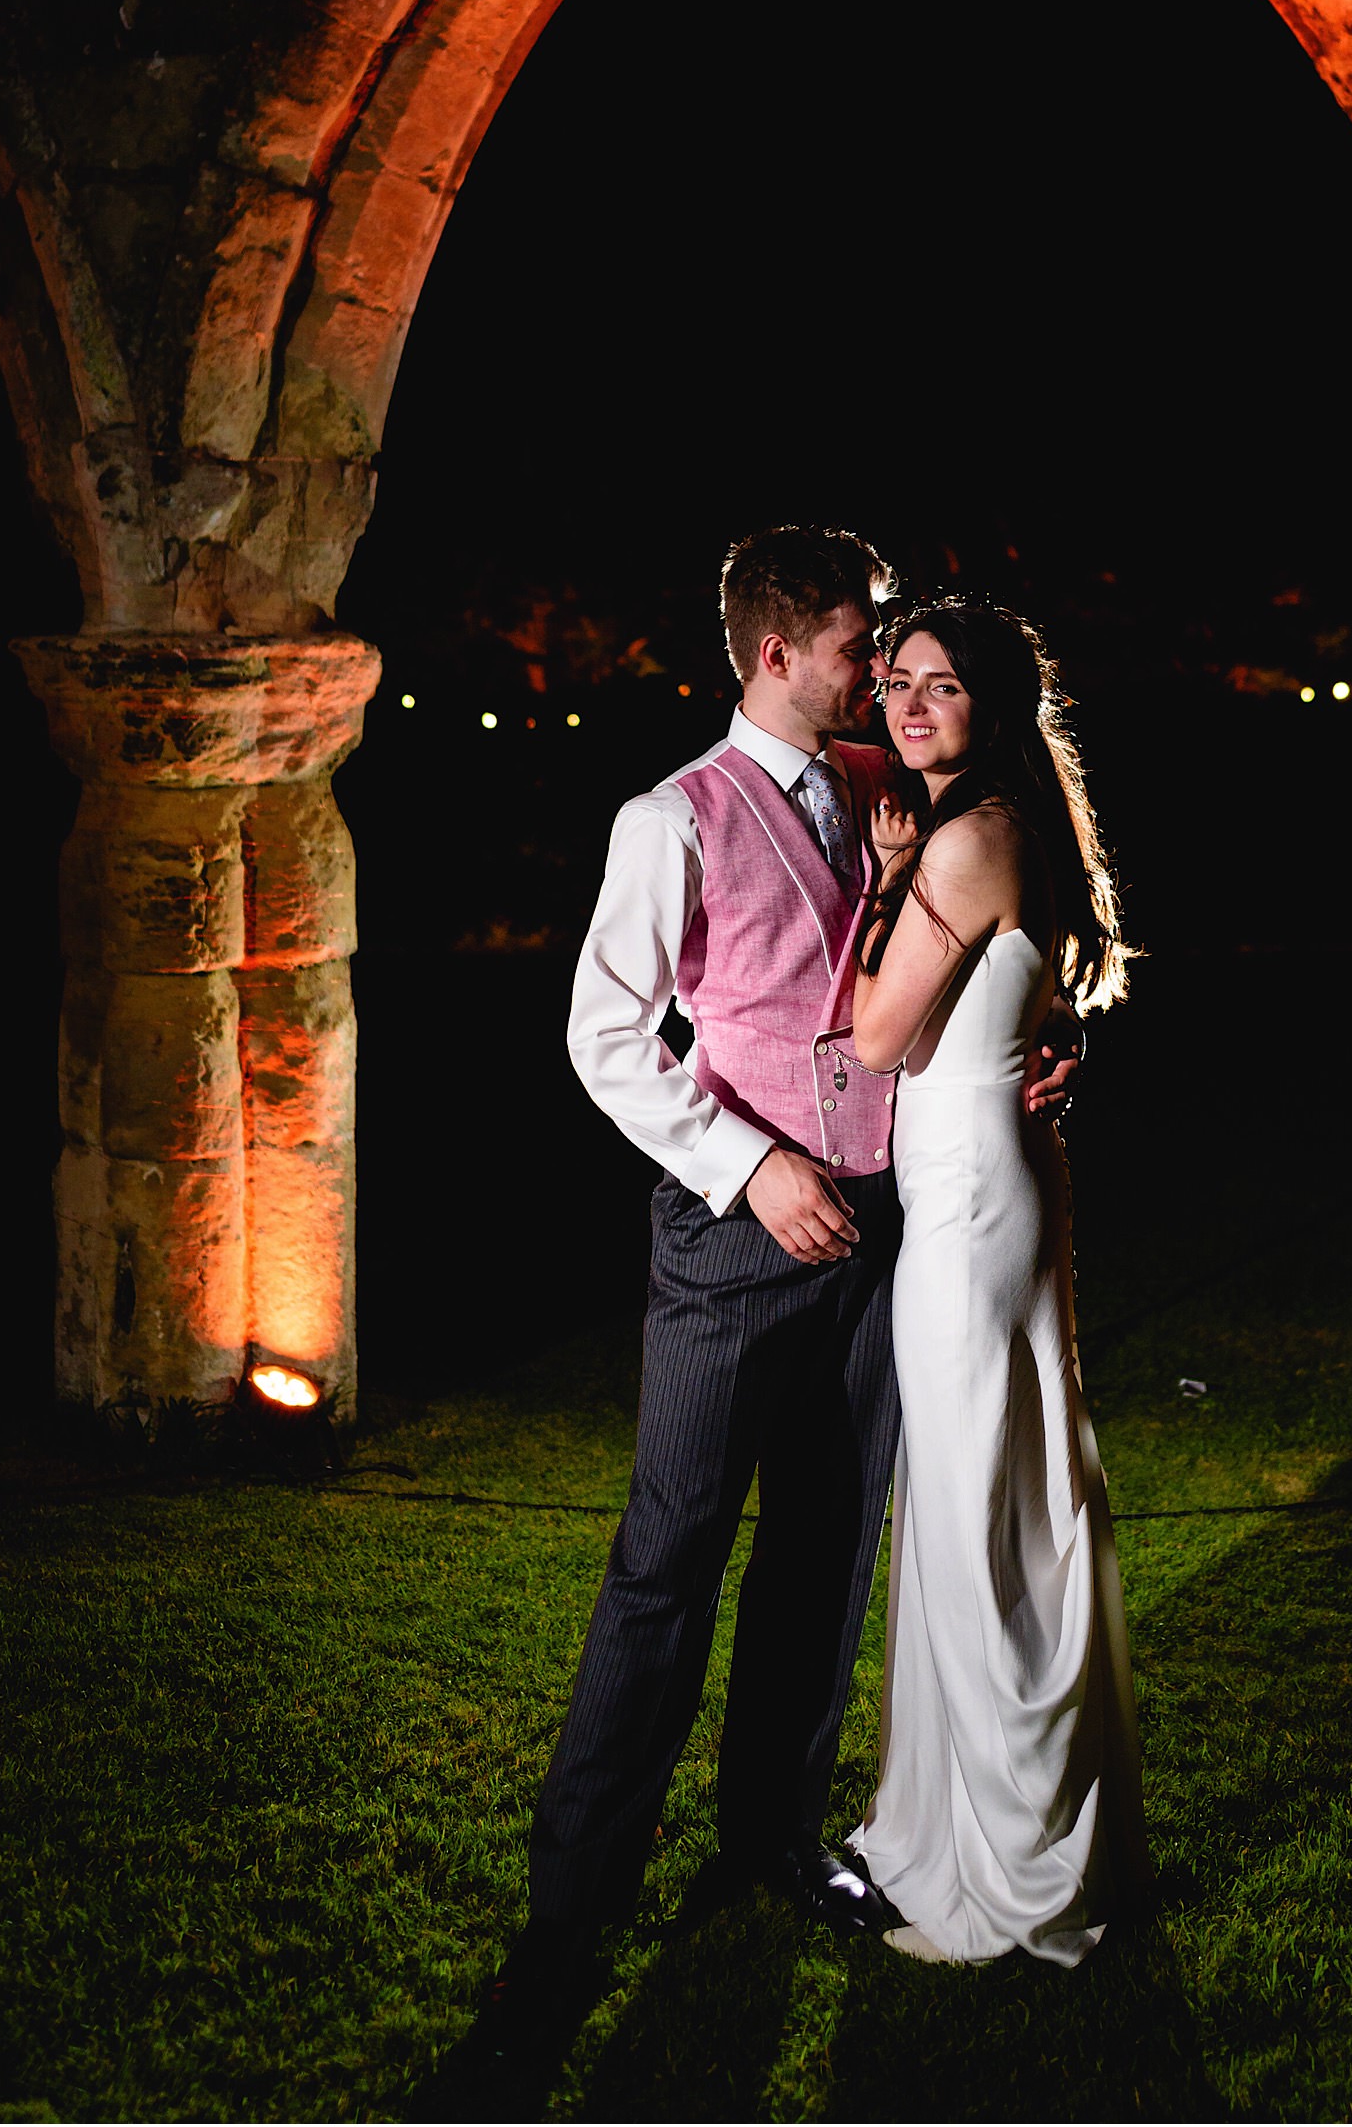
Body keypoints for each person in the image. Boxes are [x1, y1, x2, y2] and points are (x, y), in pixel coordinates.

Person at [456, 529, 1080, 2083]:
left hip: (889, 1234)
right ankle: (577, 1892)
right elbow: (606, 1037)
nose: (879, 670)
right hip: (733, 1243)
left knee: (824, 1547)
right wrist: (745, 1168)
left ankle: (774, 1843)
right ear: (772, 655)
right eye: (859, 646)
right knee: (667, 1564)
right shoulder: (669, 818)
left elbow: (1005, 912)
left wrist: (1051, 1030)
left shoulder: (894, 780)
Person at [846, 598, 1149, 1967]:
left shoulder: (964, 841)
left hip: (967, 1202)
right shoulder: (1012, 821)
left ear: (998, 705)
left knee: (973, 1514)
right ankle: (976, 1816)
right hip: (997, 1182)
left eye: (942, 687)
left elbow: (875, 1034)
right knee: (1004, 1495)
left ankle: (1012, 1863)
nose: (910, 706)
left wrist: (881, 878)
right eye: (896, 681)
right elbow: (1042, 996)